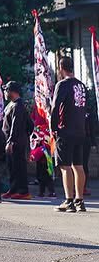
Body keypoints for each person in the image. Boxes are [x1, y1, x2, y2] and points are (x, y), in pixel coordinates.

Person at [51, 57, 87, 213]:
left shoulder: (63, 84)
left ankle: (69, 200)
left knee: (65, 166)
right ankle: (80, 201)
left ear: (61, 67)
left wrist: (53, 128)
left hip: (66, 130)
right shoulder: (81, 85)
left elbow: (55, 106)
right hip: (80, 130)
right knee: (78, 166)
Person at [2, 81, 33, 199]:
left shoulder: (18, 105)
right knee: (12, 167)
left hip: (17, 142)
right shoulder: (11, 104)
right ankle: (13, 188)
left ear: (12, 91)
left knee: (19, 166)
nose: (4, 93)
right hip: (11, 140)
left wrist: (11, 141)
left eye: (6, 90)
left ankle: (23, 191)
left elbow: (17, 125)